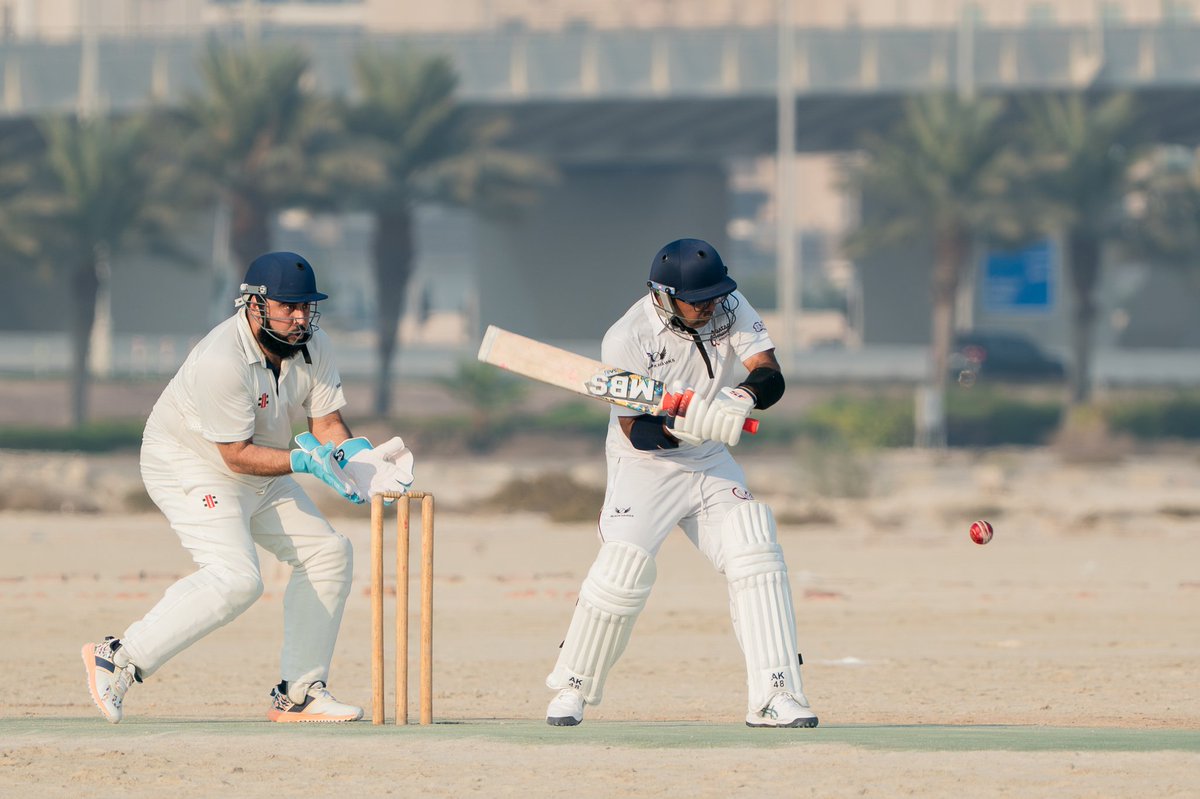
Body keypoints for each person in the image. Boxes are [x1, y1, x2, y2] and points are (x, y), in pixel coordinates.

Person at [82, 251, 413, 724]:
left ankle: (299, 693)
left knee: (329, 553)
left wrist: (361, 463)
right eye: (288, 307)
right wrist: (302, 462)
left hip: (262, 462)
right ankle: (119, 657)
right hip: (190, 464)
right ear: (255, 305)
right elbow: (234, 455)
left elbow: (327, 421)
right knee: (237, 578)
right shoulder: (223, 358)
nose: (300, 318)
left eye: (305, 307)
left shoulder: (313, 346)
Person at [543, 238, 818, 728]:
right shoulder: (625, 337)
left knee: (754, 549)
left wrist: (740, 397)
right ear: (664, 296)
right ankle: (572, 688)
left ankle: (776, 694)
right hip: (643, 467)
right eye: (699, 300)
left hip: (711, 461)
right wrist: (681, 426)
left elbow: (769, 372)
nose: (711, 305)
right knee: (621, 571)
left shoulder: (728, 305)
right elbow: (637, 429)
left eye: (716, 295)